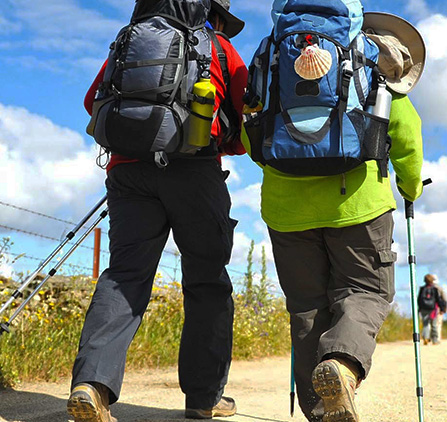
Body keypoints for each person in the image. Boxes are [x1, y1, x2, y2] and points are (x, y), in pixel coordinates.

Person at [67, 1, 248, 421]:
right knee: (207, 280)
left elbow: (92, 101)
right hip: (194, 172)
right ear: (211, 14)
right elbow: (239, 123)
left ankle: (91, 386)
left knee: (125, 275)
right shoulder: (218, 47)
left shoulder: (128, 42)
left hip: (128, 172)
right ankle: (204, 399)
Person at [249, 8, 427, 422]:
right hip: (359, 206)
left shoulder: (273, 58)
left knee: (307, 307)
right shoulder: (372, 65)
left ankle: (320, 412)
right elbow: (407, 136)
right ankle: (343, 366)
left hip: (286, 209)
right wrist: (410, 187)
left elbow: (251, 131)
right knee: (366, 291)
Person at [418, 274, 447, 345]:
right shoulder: (435, 289)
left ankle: (425, 337)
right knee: (434, 324)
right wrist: (442, 308)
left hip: (424, 309)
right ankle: (435, 340)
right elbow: (438, 299)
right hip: (433, 309)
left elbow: (419, 299)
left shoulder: (422, 289)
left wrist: (419, 308)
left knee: (425, 324)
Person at [433, 276, 447, 343]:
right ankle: (437, 338)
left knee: (429, 323)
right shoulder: (440, 288)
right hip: (438, 308)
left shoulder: (426, 287)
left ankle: (429, 337)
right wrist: (444, 309)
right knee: (438, 324)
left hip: (428, 308)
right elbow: (445, 299)